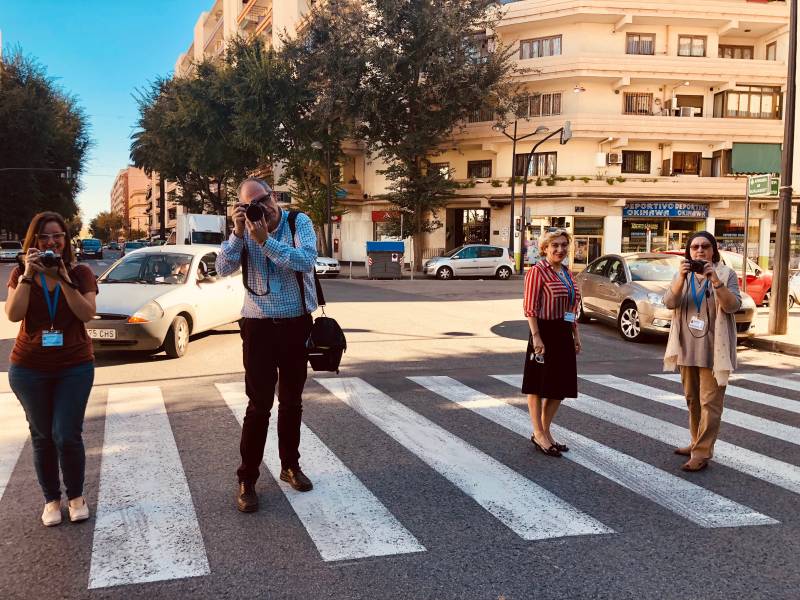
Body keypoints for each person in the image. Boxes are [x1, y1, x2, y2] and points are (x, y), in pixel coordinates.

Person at [216, 177, 318, 512]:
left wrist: (265, 242)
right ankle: (247, 479)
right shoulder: (244, 231)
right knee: (258, 406)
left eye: (263, 200)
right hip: (258, 327)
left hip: (295, 324)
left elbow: (305, 260)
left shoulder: (297, 221)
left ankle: (290, 466)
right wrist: (238, 234)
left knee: (291, 401)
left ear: (273, 196)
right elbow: (221, 268)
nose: (261, 208)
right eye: (251, 205)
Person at [5, 212, 98, 526]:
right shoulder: (21, 273)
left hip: (75, 366)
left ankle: (76, 497)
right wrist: (30, 274)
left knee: (66, 434)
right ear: (33, 241)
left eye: (57, 236)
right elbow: (13, 315)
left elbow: (86, 314)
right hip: (29, 368)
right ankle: (51, 500)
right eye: (44, 237)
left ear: (65, 240)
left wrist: (63, 279)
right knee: (42, 436)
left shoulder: (80, 272)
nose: (51, 242)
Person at [663, 231, 741, 472]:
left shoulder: (726, 274)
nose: (699, 250)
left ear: (713, 250)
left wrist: (715, 280)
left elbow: (733, 306)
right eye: (694, 247)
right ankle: (696, 441)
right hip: (687, 347)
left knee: (710, 403)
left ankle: (702, 452)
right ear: (688, 251)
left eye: (705, 246)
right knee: (692, 400)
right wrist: (680, 278)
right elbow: (669, 303)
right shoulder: (682, 275)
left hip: (714, 350)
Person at [521, 229, 582, 458]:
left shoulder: (566, 272)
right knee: (537, 385)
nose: (560, 249)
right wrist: (536, 336)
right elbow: (530, 307)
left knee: (559, 387)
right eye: (554, 245)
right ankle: (538, 433)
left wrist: (575, 333)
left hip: (563, 331)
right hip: (543, 331)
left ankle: (545, 432)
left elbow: (571, 306)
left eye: (564, 245)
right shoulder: (537, 272)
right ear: (544, 248)